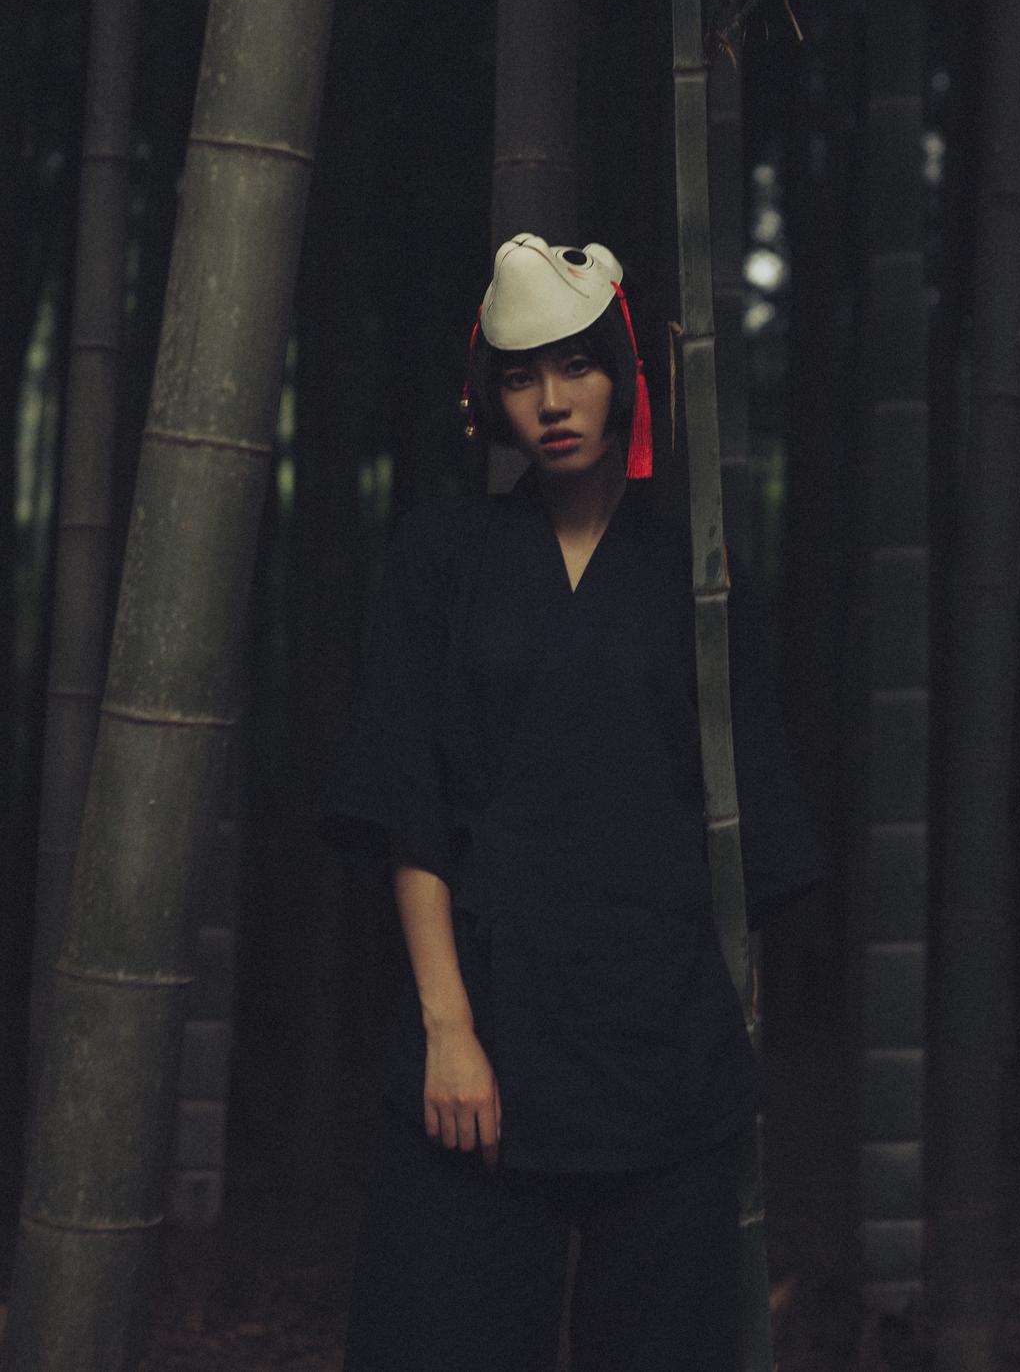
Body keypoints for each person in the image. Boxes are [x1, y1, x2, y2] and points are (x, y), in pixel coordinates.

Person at [320, 234, 818, 1372]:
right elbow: (410, 801)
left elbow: (752, 825)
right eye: (520, 375)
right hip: (486, 1027)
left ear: (626, 375)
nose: (551, 401)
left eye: (577, 366)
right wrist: (448, 1028)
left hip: (663, 1041)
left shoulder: (699, 573)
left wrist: (730, 1025)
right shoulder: (442, 554)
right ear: (488, 397)